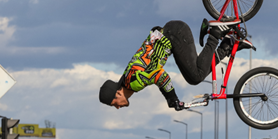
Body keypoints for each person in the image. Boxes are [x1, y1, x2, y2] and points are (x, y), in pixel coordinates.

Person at [99, 19, 254, 111]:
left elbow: (161, 76)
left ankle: (216, 34)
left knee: (196, 76)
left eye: (114, 104)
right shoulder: (128, 77)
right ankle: (228, 45)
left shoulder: (134, 83)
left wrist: (171, 99)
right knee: (195, 75)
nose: (118, 107)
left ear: (118, 94)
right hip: (173, 34)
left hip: (175, 34)